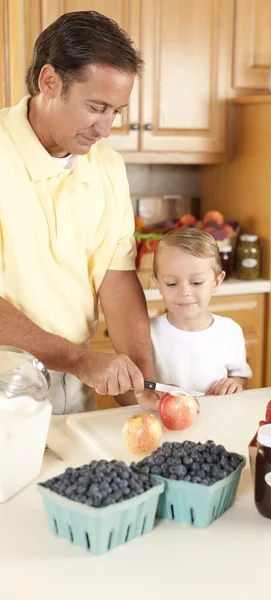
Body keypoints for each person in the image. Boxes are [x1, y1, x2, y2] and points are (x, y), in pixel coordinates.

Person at [0, 11, 159, 414]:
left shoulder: (108, 167)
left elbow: (117, 281)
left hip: (75, 385)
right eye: (96, 106)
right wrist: (78, 360)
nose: (105, 128)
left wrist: (142, 388)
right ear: (50, 81)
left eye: (116, 112)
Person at [151, 228, 252, 395]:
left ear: (217, 281)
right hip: (162, 420)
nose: (184, 292)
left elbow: (240, 375)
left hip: (216, 418)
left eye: (196, 282)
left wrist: (233, 384)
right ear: (158, 283)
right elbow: (135, 388)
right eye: (171, 283)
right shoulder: (149, 333)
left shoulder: (230, 331)